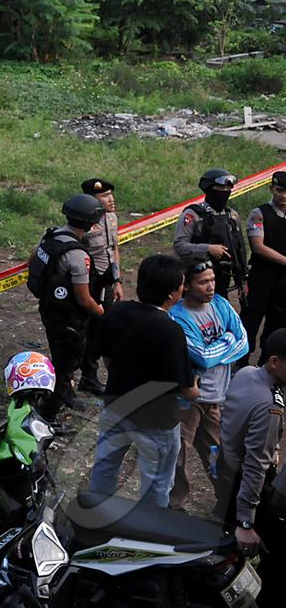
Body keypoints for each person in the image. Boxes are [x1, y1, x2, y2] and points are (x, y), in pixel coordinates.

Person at [89, 254, 196, 508]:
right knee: (156, 481)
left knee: (105, 466)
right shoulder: (170, 330)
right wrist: (198, 388)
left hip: (116, 405)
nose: (184, 289)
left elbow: (106, 357)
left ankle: (97, 513)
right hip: (156, 420)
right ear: (171, 294)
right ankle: (149, 526)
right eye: (182, 285)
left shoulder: (118, 312)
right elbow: (186, 390)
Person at [167, 260, 248, 510]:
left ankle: (226, 503)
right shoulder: (177, 317)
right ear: (186, 286)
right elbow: (201, 357)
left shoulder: (221, 304)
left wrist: (219, 348)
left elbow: (244, 343)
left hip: (216, 397)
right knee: (179, 454)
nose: (211, 286)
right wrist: (228, 340)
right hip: (189, 399)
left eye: (212, 280)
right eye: (203, 282)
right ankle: (175, 504)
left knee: (219, 453)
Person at [215, 329, 286, 601]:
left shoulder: (246, 374)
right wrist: (246, 521)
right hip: (245, 482)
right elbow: (255, 467)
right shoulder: (270, 407)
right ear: (274, 362)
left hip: (226, 468)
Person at [30, 194, 106, 420]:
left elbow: (32, 260)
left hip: (49, 309)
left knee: (58, 354)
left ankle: (65, 395)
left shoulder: (51, 236)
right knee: (66, 366)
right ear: (91, 223)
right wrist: (102, 313)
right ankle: (49, 415)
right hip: (69, 318)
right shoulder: (77, 255)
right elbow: (83, 299)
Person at [174, 169, 246, 303]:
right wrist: (208, 249)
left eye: (228, 188)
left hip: (222, 281)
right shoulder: (193, 214)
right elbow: (179, 246)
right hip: (196, 280)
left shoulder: (232, 216)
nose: (225, 191)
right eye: (220, 188)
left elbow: (239, 250)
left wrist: (242, 280)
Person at [79, 178, 123, 395]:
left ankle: (90, 376)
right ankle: (75, 376)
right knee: (84, 330)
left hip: (107, 283)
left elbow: (114, 249)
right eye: (105, 196)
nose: (111, 199)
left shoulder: (112, 218)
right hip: (88, 284)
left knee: (102, 330)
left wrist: (117, 281)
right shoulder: (83, 222)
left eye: (110, 194)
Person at [242, 171, 286, 365]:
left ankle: (266, 364)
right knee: (249, 322)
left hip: (283, 282)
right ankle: (241, 363)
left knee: (277, 325)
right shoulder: (259, 213)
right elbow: (258, 247)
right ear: (271, 189)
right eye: (279, 190)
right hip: (261, 277)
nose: (283, 196)